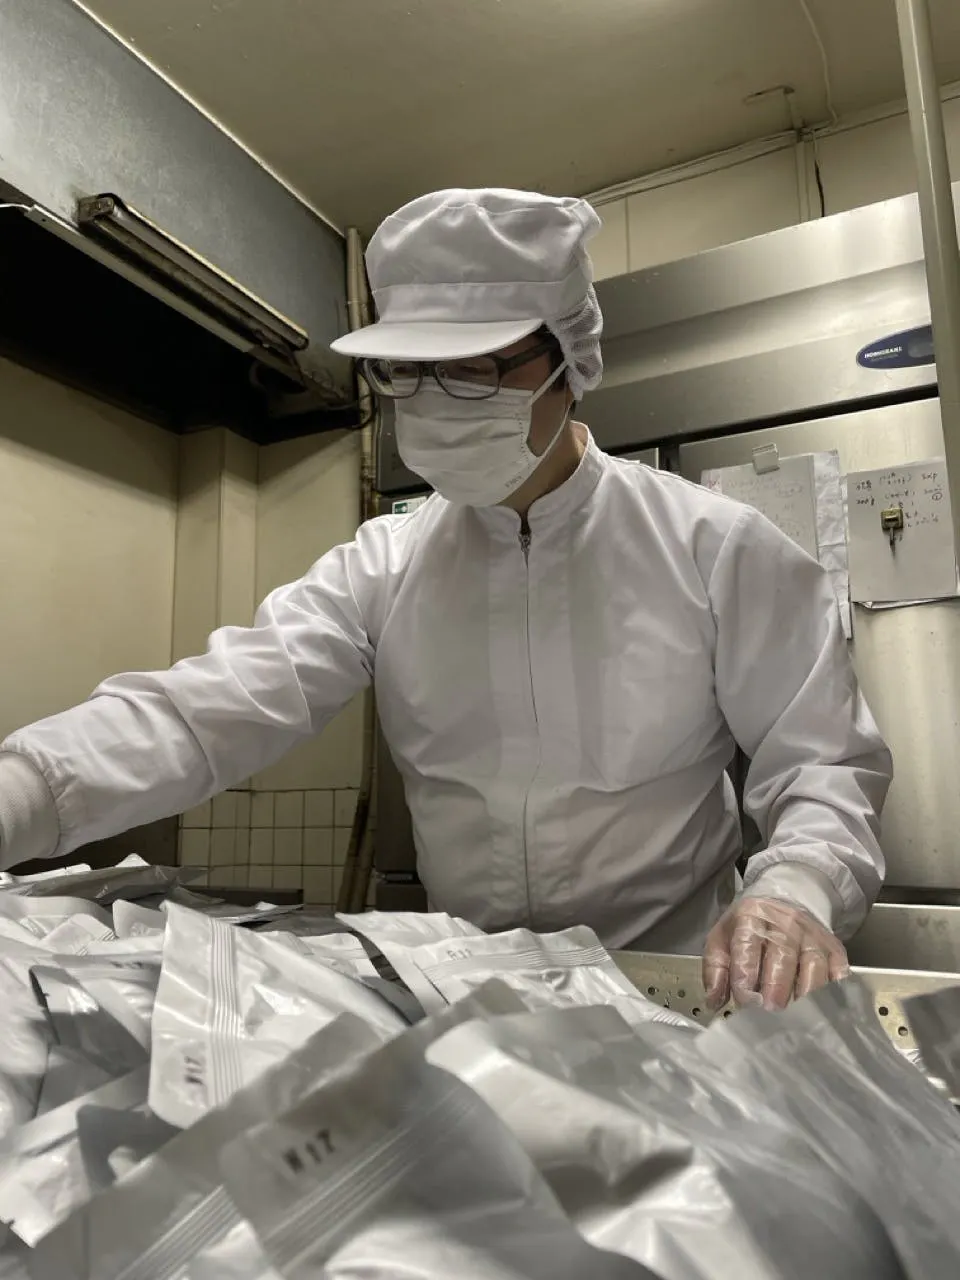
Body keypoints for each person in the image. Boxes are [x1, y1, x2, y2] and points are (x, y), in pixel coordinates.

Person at [0, 188, 891, 1010]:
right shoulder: (386, 564)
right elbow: (202, 713)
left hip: (671, 986)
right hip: (471, 993)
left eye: (473, 370)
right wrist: (20, 790)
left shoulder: (714, 547)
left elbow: (821, 761)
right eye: (407, 373)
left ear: (569, 360)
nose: (432, 405)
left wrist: (796, 889)